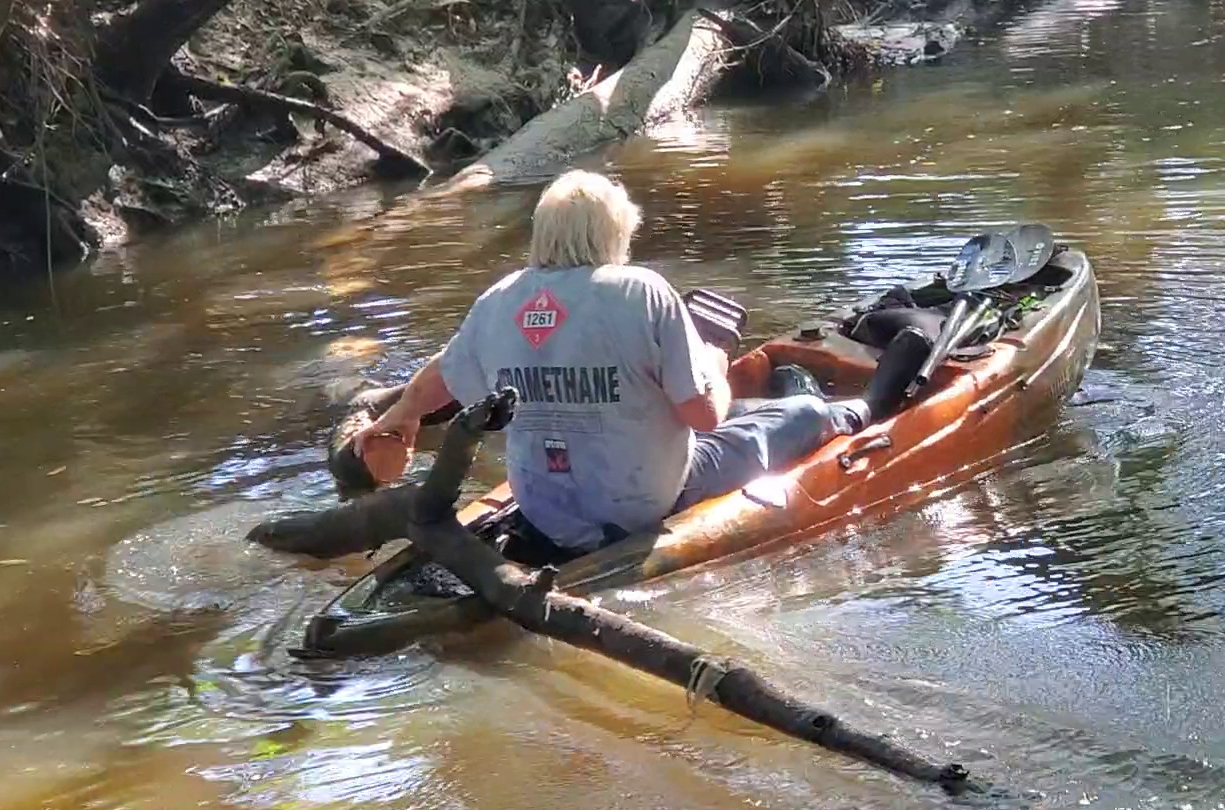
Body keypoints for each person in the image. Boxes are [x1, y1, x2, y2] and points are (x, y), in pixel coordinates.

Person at [349, 169, 868, 555]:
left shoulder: (498, 299)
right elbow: (704, 417)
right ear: (613, 235)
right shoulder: (641, 292)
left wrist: (400, 418)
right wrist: (713, 357)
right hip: (640, 504)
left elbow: (443, 375)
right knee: (797, 415)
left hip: (544, 510)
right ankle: (850, 414)